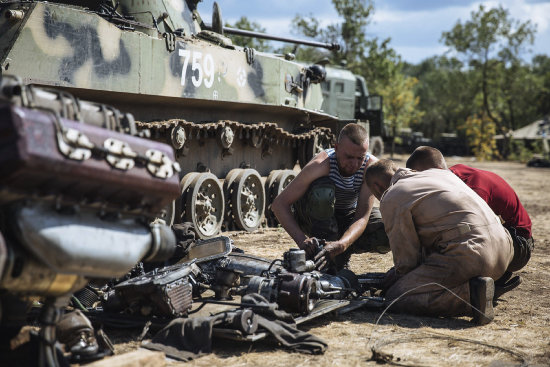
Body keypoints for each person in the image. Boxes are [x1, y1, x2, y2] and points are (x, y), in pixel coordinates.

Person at [364, 159, 513, 325]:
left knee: (396, 296)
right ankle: (487, 286)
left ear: (376, 187)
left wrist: (396, 281)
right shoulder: (440, 174)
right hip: (505, 248)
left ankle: (472, 297)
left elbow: (407, 261)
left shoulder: (392, 196)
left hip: (472, 254)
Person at [272, 123, 389, 272]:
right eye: (349, 157)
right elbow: (279, 204)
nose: (354, 164)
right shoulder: (321, 164)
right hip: (313, 217)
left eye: (360, 158)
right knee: (323, 193)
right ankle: (320, 254)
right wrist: (302, 242)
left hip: (348, 215)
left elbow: (361, 217)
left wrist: (342, 244)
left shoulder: (370, 168)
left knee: (387, 228)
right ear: (337, 147)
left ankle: (339, 256)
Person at [406, 146, 534, 282]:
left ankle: (479, 284)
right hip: (502, 237)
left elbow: (475, 232)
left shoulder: (473, 188)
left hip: (520, 245)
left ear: (436, 171)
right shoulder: (454, 175)